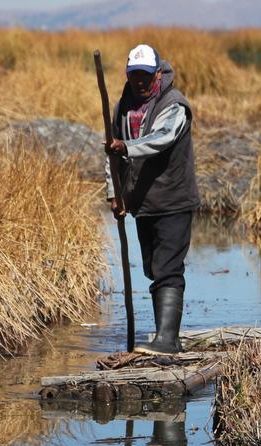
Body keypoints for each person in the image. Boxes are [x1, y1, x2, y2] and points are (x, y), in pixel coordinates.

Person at [105, 44, 200, 356]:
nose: (141, 81)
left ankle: (167, 341)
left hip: (173, 199)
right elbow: (111, 155)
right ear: (128, 74)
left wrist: (125, 148)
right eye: (135, 75)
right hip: (142, 203)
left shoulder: (174, 105)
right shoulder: (123, 106)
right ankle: (166, 334)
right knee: (153, 268)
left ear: (158, 73)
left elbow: (161, 138)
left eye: (146, 75)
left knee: (168, 268)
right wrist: (115, 194)